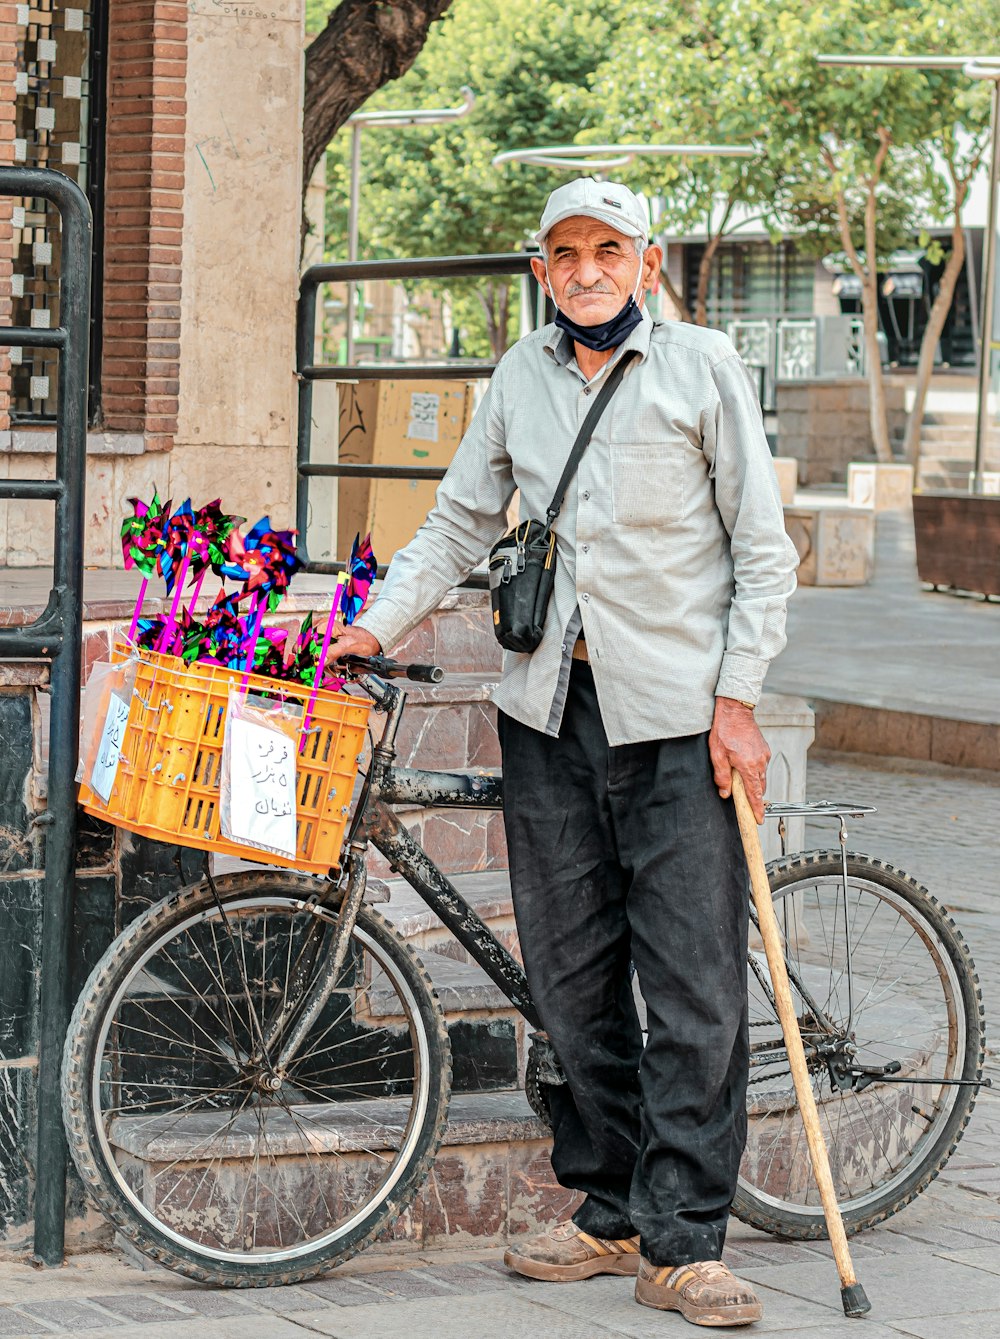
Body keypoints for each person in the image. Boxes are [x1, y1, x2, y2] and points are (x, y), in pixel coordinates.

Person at [332, 177, 799, 1328]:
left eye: (606, 249)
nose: (585, 269)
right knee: (569, 975)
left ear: (644, 262)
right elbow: (455, 523)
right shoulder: (516, 379)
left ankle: (686, 1238)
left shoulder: (702, 369)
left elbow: (762, 549)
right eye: (563, 253)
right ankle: (610, 1205)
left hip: (679, 719)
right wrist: (371, 625)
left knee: (691, 985)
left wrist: (739, 698)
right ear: (540, 269)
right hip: (550, 712)